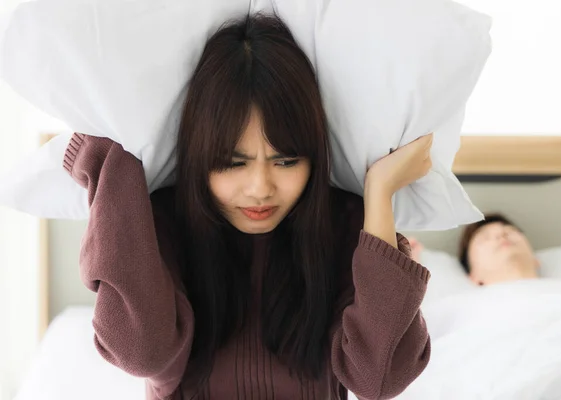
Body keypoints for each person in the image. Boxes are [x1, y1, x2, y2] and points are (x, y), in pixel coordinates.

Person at [62, 14, 432, 400]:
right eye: (233, 162)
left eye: (286, 161)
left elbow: (380, 379)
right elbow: (141, 351)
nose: (260, 188)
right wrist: (112, 166)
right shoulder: (163, 225)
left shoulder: (344, 226)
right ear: (197, 155)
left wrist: (380, 194)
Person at [409, 213, 539, 286]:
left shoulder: (559, 292)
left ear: (536, 260)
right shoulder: (459, 311)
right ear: (473, 276)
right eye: (485, 238)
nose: (501, 235)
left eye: (510, 231)